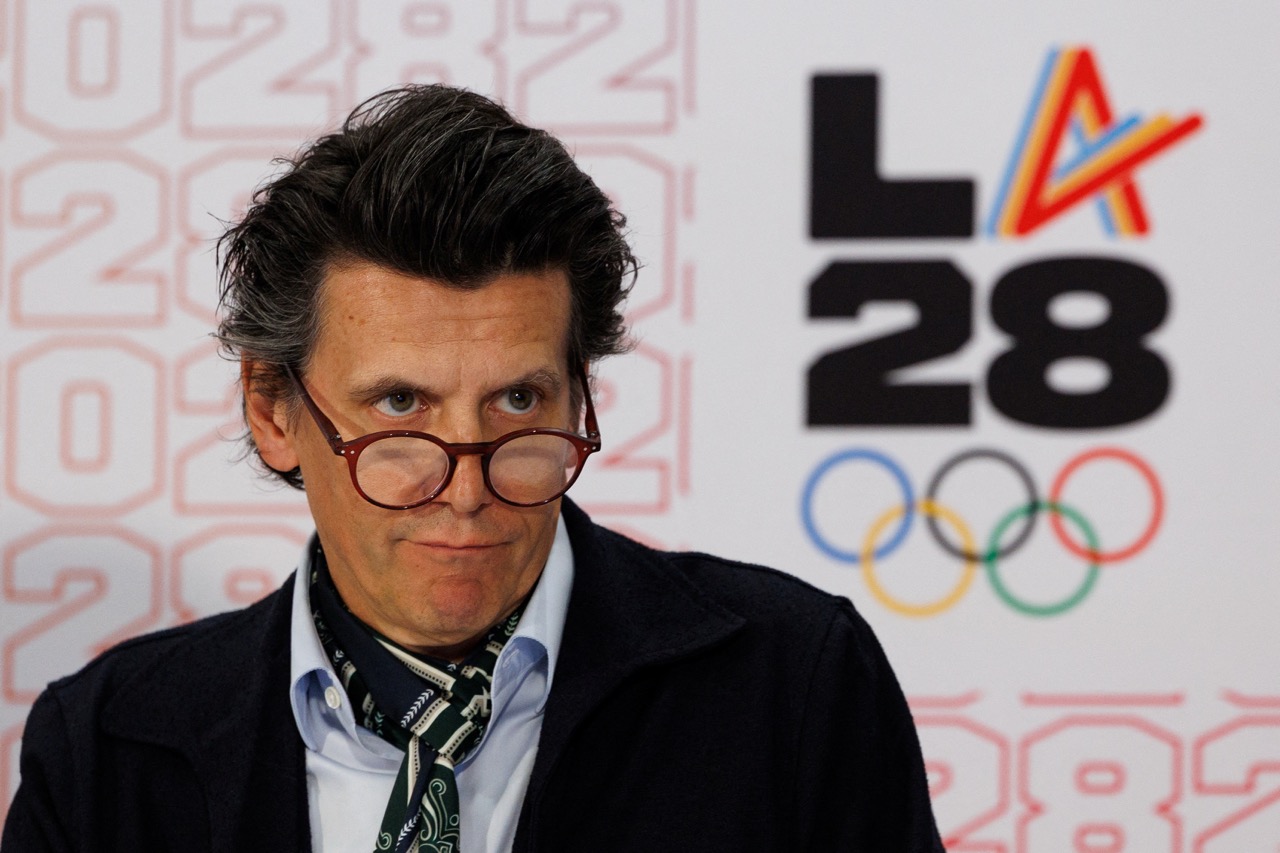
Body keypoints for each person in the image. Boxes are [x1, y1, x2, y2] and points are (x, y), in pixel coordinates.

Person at [2, 85, 944, 853]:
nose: (466, 489)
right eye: (400, 405)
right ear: (271, 409)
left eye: (519, 402)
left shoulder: (794, 686)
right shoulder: (106, 749)